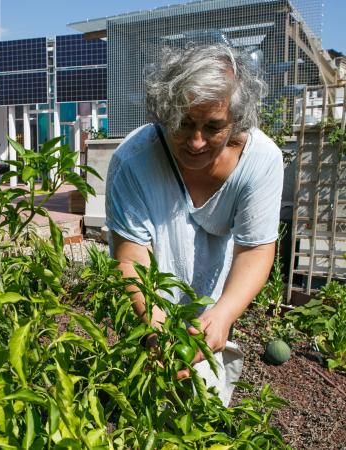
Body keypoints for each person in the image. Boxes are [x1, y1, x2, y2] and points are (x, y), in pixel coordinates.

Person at [105, 44, 283, 406]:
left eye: (213, 127)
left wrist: (224, 313)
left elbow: (255, 247)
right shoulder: (134, 160)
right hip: (148, 305)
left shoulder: (261, 161)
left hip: (211, 305)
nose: (196, 141)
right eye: (184, 123)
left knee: (205, 405)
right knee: (141, 403)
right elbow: (131, 255)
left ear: (236, 120)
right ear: (165, 113)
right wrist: (155, 329)